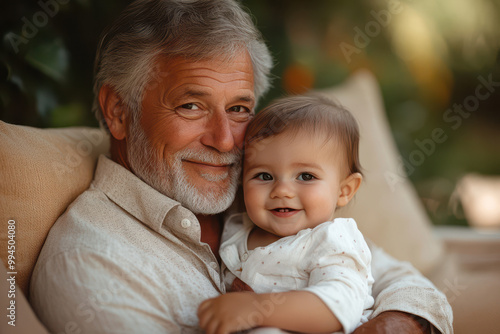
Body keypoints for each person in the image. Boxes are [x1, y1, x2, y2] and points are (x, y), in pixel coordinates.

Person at [29, 0, 452, 333]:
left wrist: (400, 323)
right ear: (118, 111)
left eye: (238, 109)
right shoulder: (90, 260)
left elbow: (400, 279)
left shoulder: (264, 194)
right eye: (191, 106)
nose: (226, 140)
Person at [198, 95, 374, 334]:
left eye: (306, 176)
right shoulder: (238, 227)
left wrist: (256, 308)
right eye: (264, 176)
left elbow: (340, 305)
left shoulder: (332, 240)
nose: (281, 190)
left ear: (344, 191)